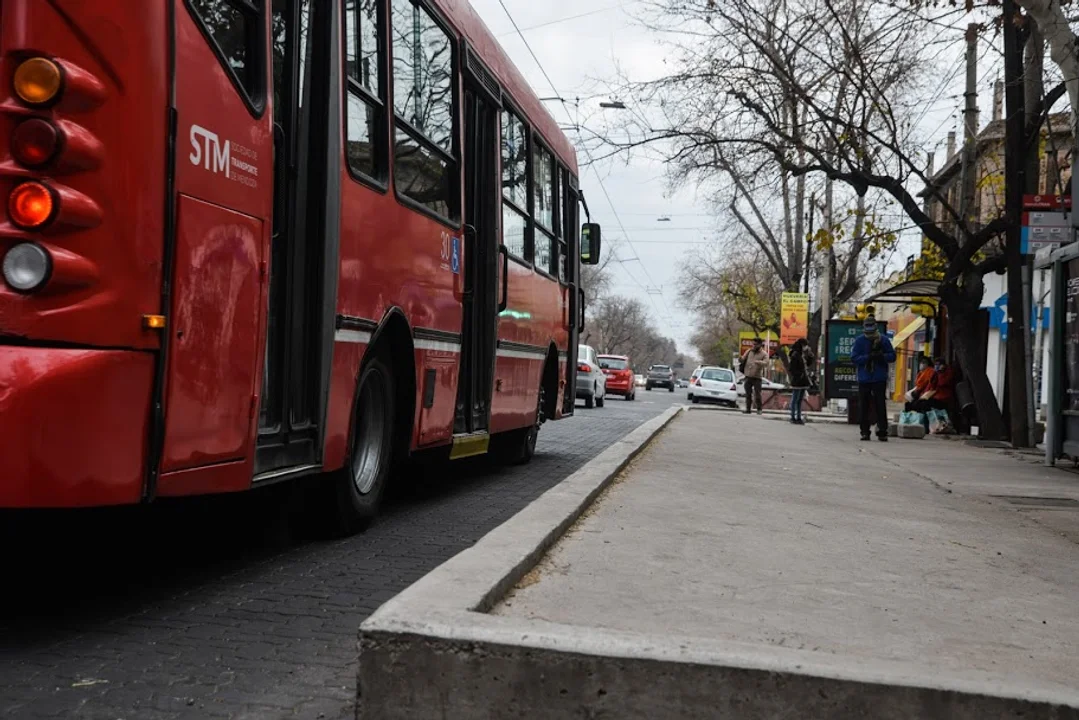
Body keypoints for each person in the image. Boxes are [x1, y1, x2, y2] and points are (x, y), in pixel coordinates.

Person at [850, 317, 896, 441]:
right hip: (865, 378)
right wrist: (868, 357)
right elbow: (854, 358)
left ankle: (882, 431)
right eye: (867, 325)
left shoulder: (883, 340)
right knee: (864, 406)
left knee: (880, 405)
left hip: (879, 377)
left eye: (871, 325)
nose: (869, 328)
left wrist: (881, 356)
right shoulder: (860, 341)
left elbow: (892, 356)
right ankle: (865, 431)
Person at [787, 338, 813, 425]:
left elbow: (807, 364)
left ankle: (798, 417)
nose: (806, 347)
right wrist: (799, 375)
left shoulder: (802, 355)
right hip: (798, 380)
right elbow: (792, 369)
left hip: (803, 380)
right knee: (795, 399)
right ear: (801, 345)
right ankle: (793, 417)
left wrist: (810, 355)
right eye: (805, 345)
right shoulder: (795, 354)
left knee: (799, 400)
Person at [740, 337, 769, 415]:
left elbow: (766, 363)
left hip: (757, 377)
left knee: (757, 394)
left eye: (755, 344)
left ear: (760, 344)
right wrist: (741, 359)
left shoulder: (764, 353)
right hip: (748, 376)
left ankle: (759, 409)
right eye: (753, 344)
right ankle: (748, 409)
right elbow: (743, 358)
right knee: (748, 394)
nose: (754, 345)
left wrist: (758, 362)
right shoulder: (749, 351)